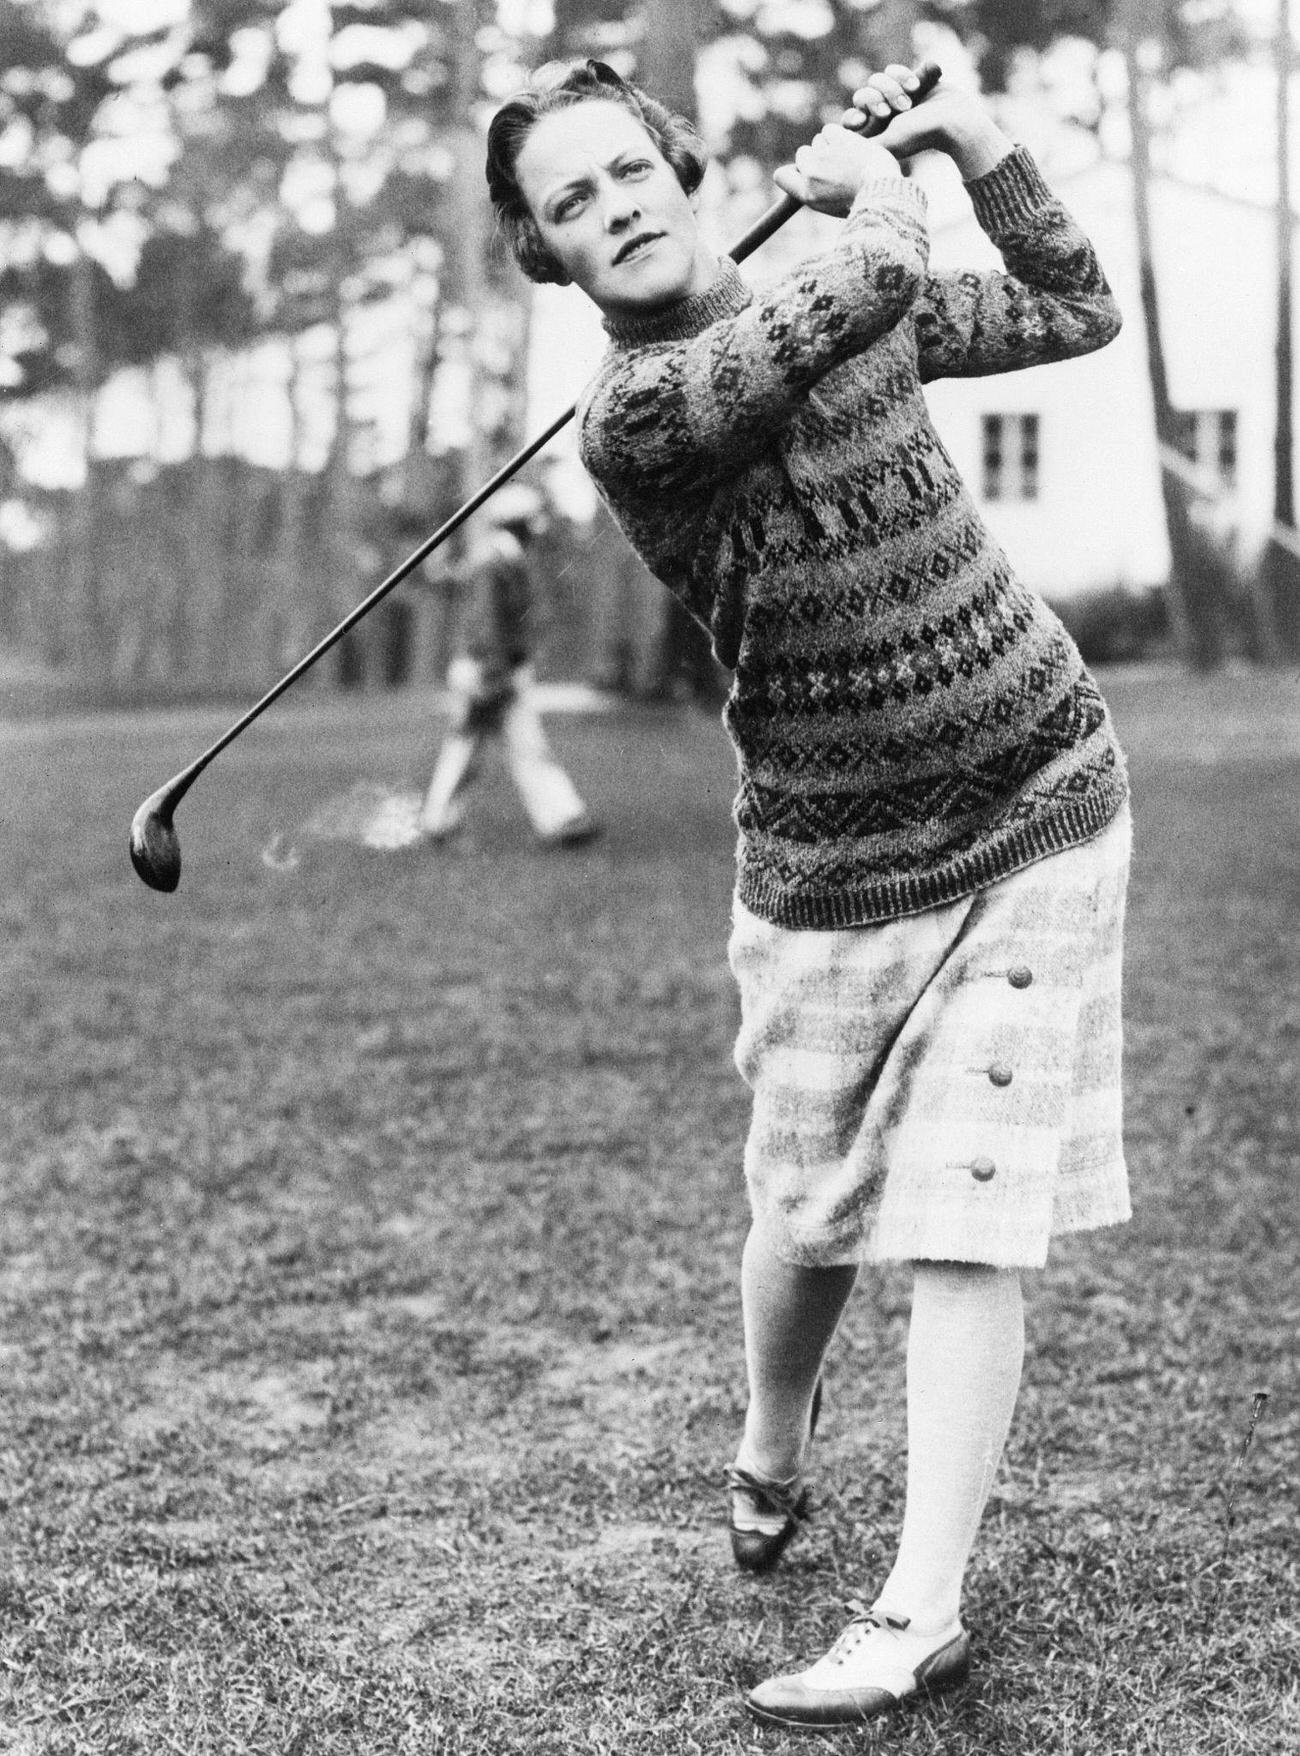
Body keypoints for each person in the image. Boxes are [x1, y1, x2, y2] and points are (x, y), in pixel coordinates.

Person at [484, 55, 1131, 1731]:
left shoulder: (851, 292)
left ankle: (916, 1610)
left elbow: (1075, 306)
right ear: (547, 258)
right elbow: (865, 282)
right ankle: (773, 1435)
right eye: (570, 205)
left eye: (628, 171)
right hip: (832, 874)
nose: (611, 207)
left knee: (964, 1217)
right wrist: (868, 187)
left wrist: (974, 139)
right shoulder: (635, 420)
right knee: (807, 1218)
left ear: (684, 169)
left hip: (1041, 796)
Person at [418, 483, 600, 848]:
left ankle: (561, 819)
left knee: (513, 744)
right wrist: (495, 674)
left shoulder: (505, 559)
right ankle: (440, 822)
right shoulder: (494, 563)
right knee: (470, 747)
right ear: (518, 524)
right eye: (531, 524)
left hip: (495, 668)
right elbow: (487, 627)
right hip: (485, 669)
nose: (536, 531)